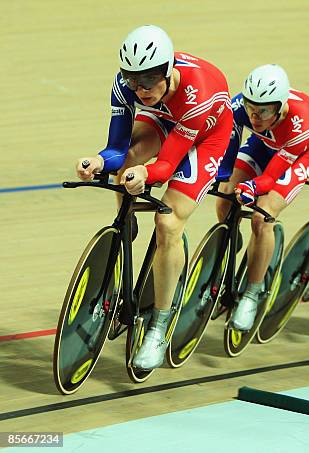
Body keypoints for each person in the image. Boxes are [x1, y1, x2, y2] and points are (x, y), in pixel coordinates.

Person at [74, 25, 233, 369]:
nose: (140, 89)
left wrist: (146, 175)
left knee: (167, 221)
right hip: (164, 119)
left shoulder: (197, 91)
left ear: (168, 70)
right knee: (128, 162)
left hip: (205, 136)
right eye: (133, 81)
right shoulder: (126, 87)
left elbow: (166, 164)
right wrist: (99, 161)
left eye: (148, 81)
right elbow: (117, 148)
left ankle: (159, 328)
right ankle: (125, 228)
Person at [215, 64, 309, 331]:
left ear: (281, 106)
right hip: (266, 144)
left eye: (263, 110)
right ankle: (233, 240)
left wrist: (253, 188)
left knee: (262, 216)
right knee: (225, 196)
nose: (255, 116)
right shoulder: (241, 107)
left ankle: (252, 293)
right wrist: (220, 176)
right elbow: (228, 151)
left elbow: (270, 178)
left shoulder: (301, 120)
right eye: (251, 107)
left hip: (297, 156)